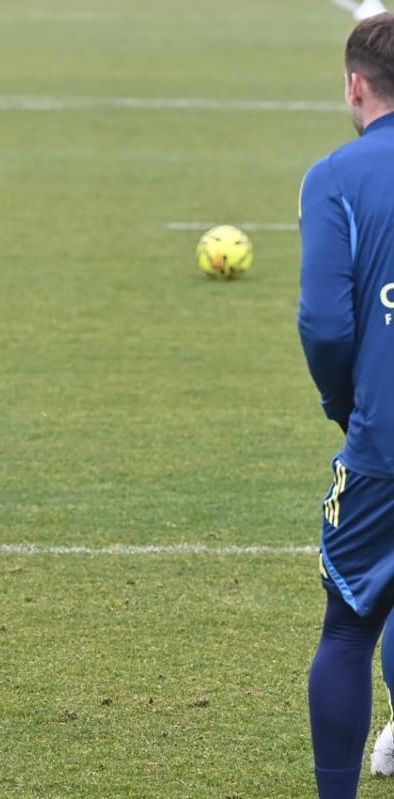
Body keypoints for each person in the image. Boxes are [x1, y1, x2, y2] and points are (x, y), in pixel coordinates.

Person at [301, 13, 394, 797]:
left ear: (355, 85)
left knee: (351, 622)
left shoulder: (337, 174)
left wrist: (346, 406)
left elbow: (326, 324)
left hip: (383, 444)